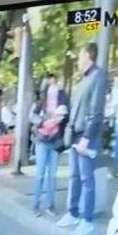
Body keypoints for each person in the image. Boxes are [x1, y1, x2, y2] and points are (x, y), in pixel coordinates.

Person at [60, 41, 107, 232]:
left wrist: (87, 138)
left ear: (88, 56)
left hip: (87, 136)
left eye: (80, 57)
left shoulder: (98, 76)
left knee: (87, 179)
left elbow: (96, 110)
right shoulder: (83, 79)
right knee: (74, 177)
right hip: (75, 135)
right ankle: (72, 213)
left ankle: (87, 220)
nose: (78, 61)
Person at [30, 72, 69, 217]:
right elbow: (32, 116)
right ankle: (35, 205)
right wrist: (43, 122)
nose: (53, 86)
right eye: (50, 84)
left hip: (55, 142)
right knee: (40, 174)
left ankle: (50, 205)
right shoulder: (41, 102)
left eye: (54, 83)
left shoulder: (63, 100)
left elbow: (67, 117)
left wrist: (60, 119)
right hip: (42, 140)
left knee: (52, 175)